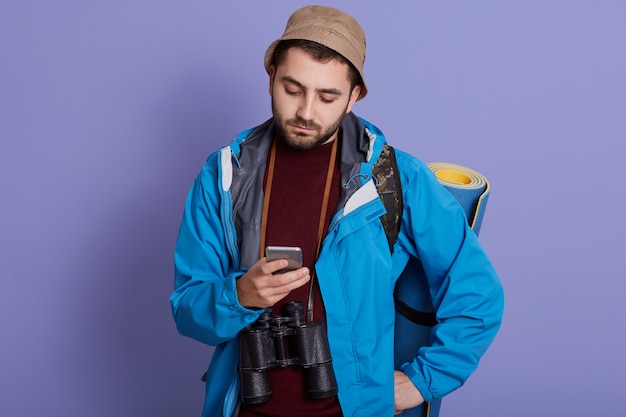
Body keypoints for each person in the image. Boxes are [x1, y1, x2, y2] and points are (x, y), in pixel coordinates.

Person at [170, 5, 504, 417]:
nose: (307, 112)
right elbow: (187, 312)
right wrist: (238, 295)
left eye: (327, 96)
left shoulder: (398, 178)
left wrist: (424, 380)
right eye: (292, 89)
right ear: (271, 75)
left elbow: (478, 295)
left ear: (354, 96)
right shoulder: (223, 175)